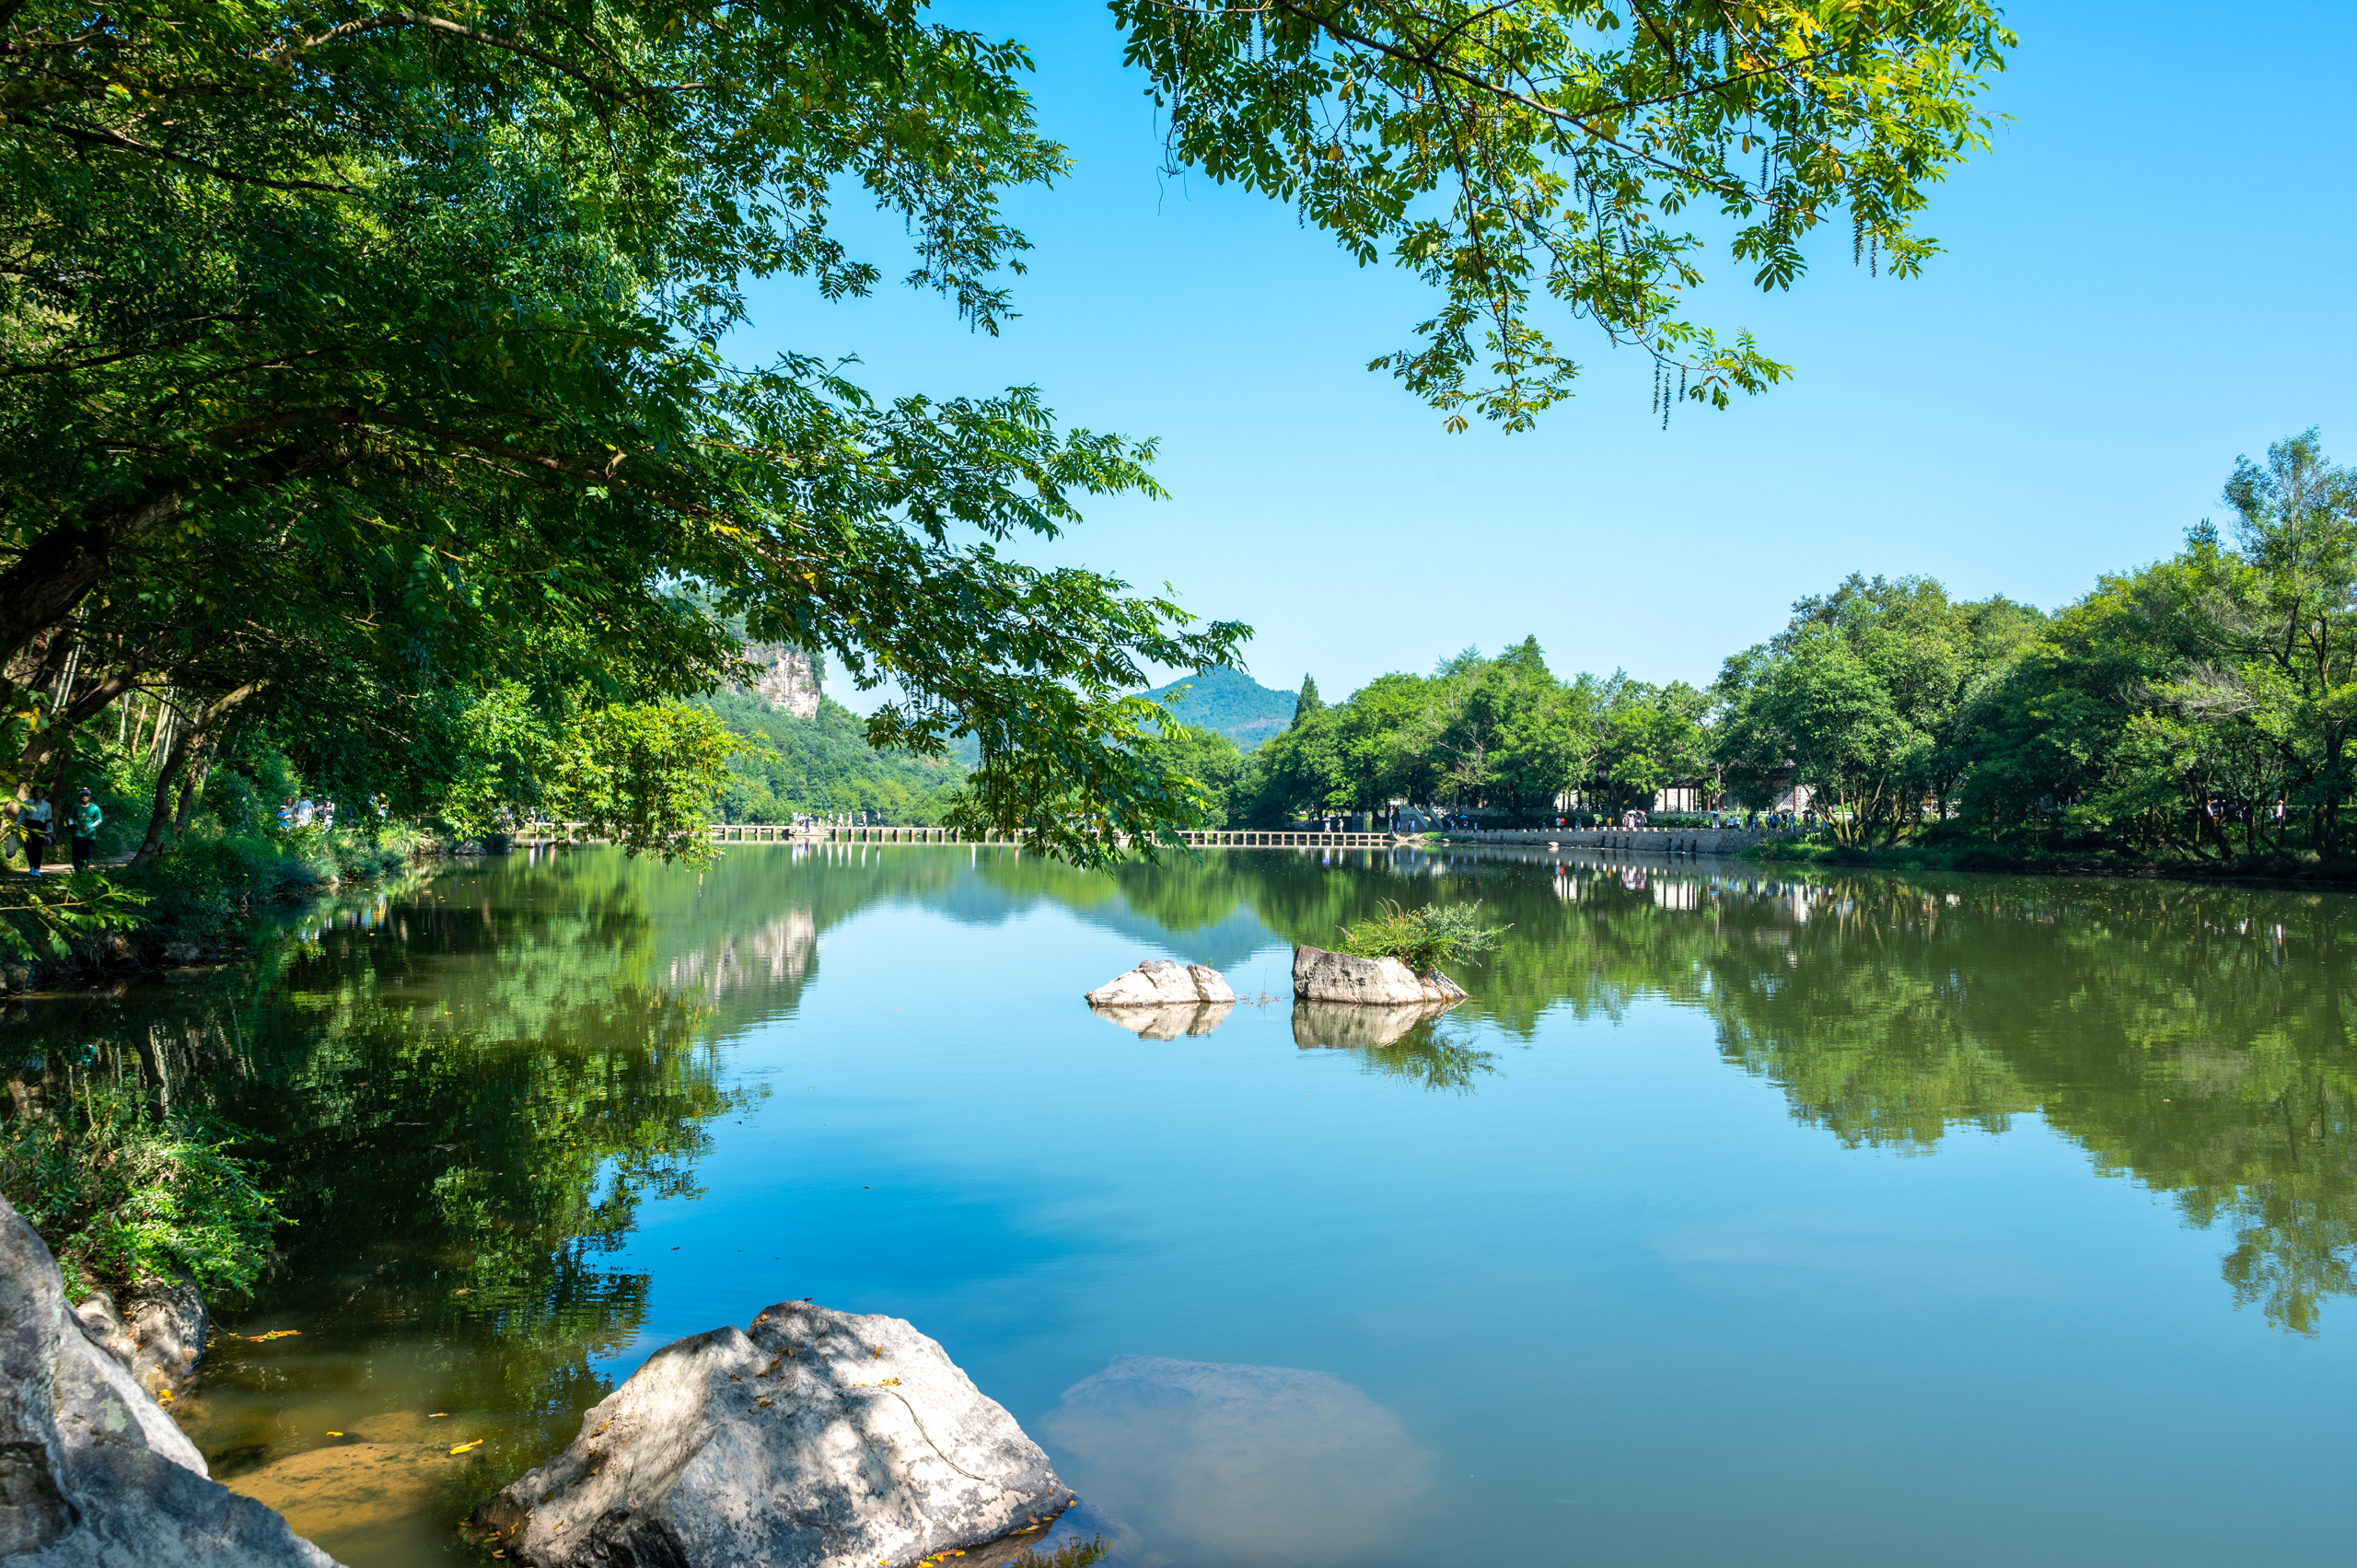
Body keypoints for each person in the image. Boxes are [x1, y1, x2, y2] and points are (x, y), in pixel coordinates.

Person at [18, 788, 52, 874]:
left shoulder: (47, 805)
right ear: (33, 792)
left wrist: (49, 832)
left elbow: (48, 819)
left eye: (40, 791)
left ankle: (37, 869)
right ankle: (31, 867)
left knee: (38, 847)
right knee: (28, 847)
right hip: (29, 826)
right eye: (36, 791)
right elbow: (21, 816)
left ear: (43, 793)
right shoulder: (27, 803)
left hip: (40, 827)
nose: (38, 793)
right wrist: (15, 827)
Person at [68, 787, 101, 872]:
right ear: (80, 797)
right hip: (78, 832)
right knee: (77, 851)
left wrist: (90, 827)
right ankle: (78, 869)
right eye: (83, 795)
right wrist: (71, 824)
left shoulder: (95, 808)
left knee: (88, 852)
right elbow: (70, 817)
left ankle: (84, 868)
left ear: (90, 797)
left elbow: (99, 820)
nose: (85, 797)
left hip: (90, 834)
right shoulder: (76, 807)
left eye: (86, 795)